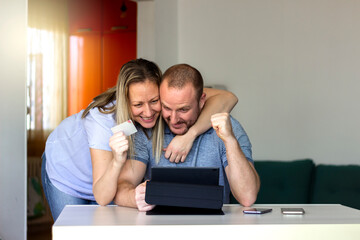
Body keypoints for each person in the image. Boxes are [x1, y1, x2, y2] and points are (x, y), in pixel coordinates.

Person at [41, 59, 238, 220]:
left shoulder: (166, 99)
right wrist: (118, 161)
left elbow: (227, 98)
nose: (148, 112)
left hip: (109, 181)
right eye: (138, 104)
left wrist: (189, 134)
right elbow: (102, 195)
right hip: (68, 172)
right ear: (125, 100)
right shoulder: (102, 121)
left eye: (154, 101)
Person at [115, 64, 260, 211]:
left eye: (183, 109)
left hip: (214, 227)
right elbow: (121, 188)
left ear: (202, 101)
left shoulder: (227, 129)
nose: (173, 119)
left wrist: (229, 140)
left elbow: (247, 197)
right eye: (166, 108)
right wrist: (134, 196)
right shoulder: (147, 131)